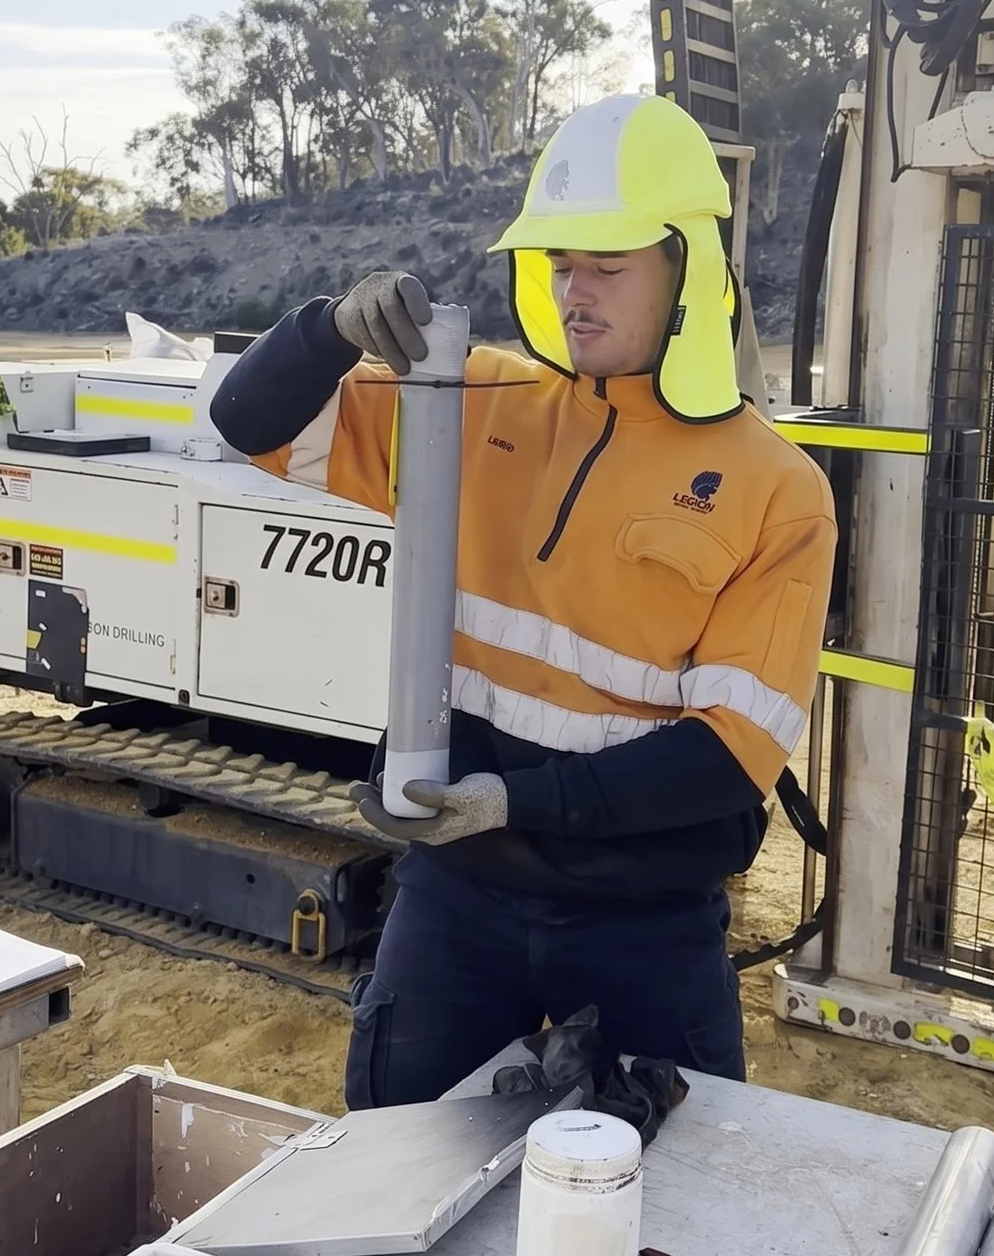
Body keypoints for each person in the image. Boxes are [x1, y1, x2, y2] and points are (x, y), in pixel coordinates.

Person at [208, 93, 835, 1109]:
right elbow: (248, 422)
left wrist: (516, 802)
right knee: (395, 1162)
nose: (574, 292)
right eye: (558, 263)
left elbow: (727, 757)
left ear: (686, 265)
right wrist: (327, 328)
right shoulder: (470, 401)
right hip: (458, 898)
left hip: (647, 919)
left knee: (668, 1210)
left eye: (606, 266)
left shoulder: (775, 488)